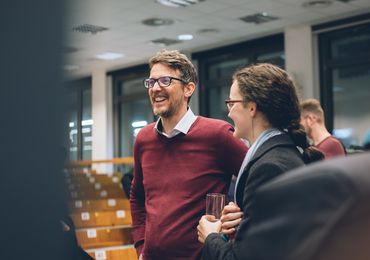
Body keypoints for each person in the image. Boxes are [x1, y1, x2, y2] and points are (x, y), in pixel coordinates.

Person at [197, 63, 323, 259]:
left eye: (232, 103)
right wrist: (246, 218)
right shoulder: (285, 153)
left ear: (252, 108)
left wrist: (211, 236)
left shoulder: (268, 167)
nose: (228, 113)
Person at [130, 50, 247, 260]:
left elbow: (256, 180)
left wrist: (239, 216)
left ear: (188, 88)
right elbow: (137, 197)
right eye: (151, 82)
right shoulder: (143, 139)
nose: (156, 88)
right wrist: (140, 246)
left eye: (165, 80)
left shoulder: (217, 134)